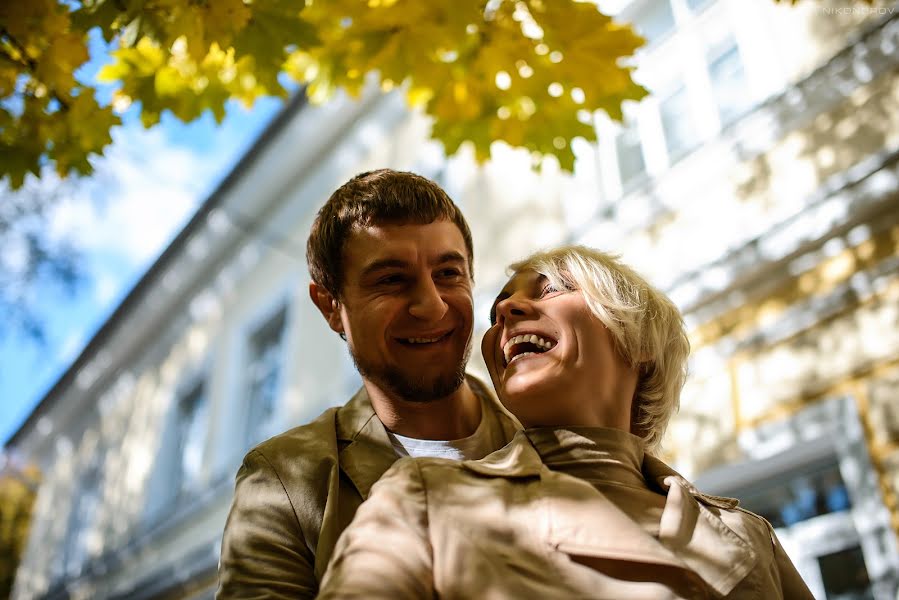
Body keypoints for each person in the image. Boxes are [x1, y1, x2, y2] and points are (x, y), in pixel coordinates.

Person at [318, 245, 814, 599]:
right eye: (496, 312)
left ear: (636, 339)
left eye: (552, 288)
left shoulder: (749, 537)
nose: (506, 311)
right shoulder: (425, 495)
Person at [216, 170, 520, 598]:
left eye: (449, 273)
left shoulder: (548, 436)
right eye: (391, 280)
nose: (431, 307)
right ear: (331, 307)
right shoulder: (284, 481)